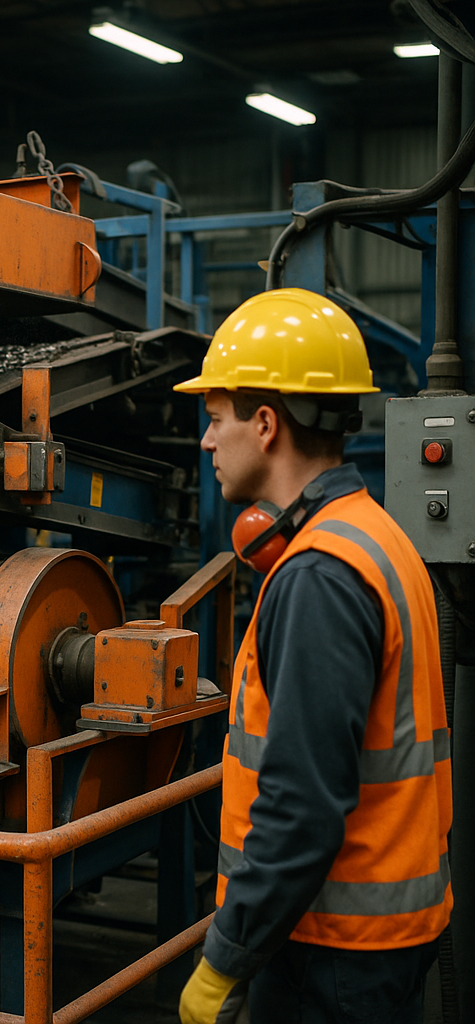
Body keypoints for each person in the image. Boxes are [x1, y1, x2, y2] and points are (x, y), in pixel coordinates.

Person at [172, 289, 452, 1024]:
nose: (206, 442)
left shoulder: (321, 574)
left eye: (215, 418)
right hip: (374, 937)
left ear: (266, 425)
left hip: (333, 953)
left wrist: (224, 959)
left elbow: (301, 808)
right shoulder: (375, 536)